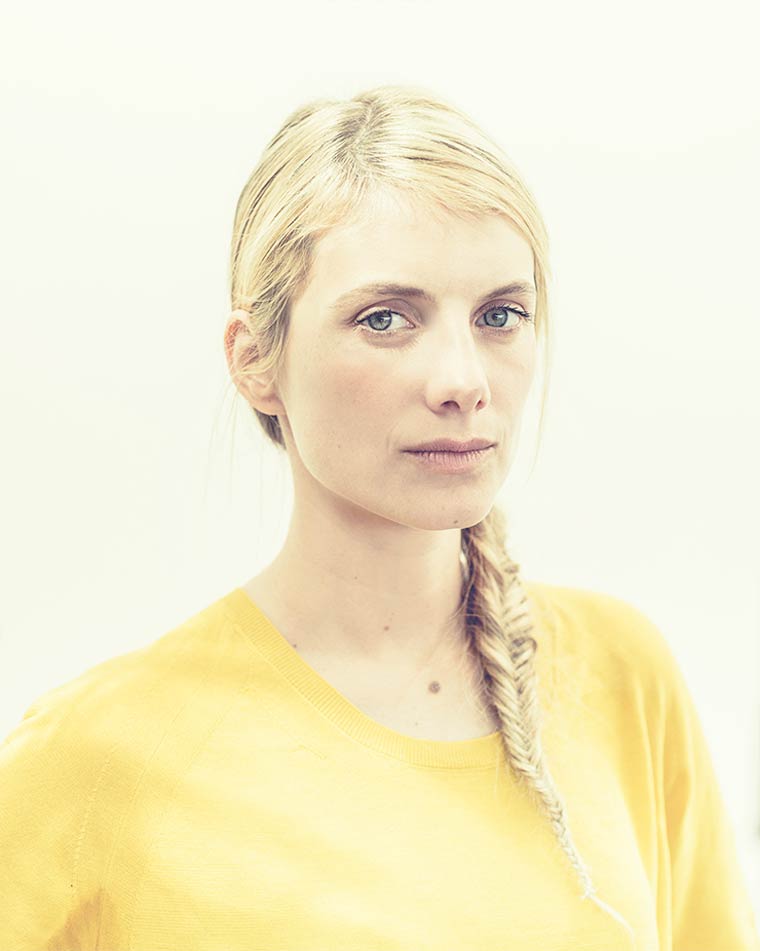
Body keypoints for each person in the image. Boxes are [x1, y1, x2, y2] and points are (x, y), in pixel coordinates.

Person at [1, 83, 758, 951]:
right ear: (255, 359)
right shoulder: (96, 760)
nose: (462, 379)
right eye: (387, 319)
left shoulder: (623, 676)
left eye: (500, 315)